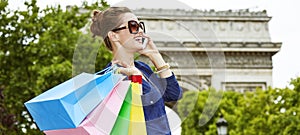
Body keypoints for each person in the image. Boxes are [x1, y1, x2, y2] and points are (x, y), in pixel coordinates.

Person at [90, 7, 182, 135]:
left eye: (140, 26)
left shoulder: (142, 68)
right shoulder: (111, 77)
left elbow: (173, 94)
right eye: (133, 26)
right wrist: (136, 79)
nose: (140, 32)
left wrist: (155, 55)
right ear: (114, 35)